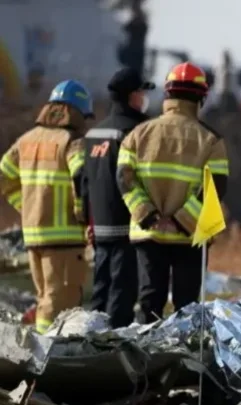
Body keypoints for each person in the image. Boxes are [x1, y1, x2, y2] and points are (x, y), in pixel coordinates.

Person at [116, 62, 229, 323]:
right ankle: (182, 359)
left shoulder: (137, 134)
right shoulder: (211, 139)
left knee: (149, 304)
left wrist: (150, 216)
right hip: (190, 236)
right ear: (201, 97)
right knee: (187, 309)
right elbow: (216, 188)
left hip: (148, 233)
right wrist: (180, 221)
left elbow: (124, 179)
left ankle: (147, 359)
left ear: (168, 95)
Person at [0, 80, 93, 333]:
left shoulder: (25, 141)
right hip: (65, 241)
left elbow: (3, 178)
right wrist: (84, 216)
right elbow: (81, 179)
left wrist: (29, 207)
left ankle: (41, 357)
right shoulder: (72, 141)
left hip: (34, 238)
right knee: (59, 305)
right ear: (78, 113)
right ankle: (47, 360)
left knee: (45, 300)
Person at [82, 67, 154, 328]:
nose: (145, 97)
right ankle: (109, 356)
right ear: (132, 95)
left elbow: (83, 182)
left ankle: (89, 347)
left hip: (99, 229)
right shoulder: (136, 131)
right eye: (142, 91)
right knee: (121, 300)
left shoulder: (93, 135)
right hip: (127, 229)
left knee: (99, 296)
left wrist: (87, 223)